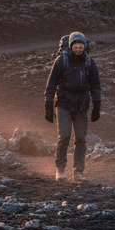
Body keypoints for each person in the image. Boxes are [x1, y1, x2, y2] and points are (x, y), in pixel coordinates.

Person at [44, 31, 102, 182]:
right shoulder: (61, 61)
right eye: (75, 46)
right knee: (64, 136)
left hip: (82, 105)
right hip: (64, 103)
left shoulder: (89, 62)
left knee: (81, 138)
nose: (78, 48)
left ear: (85, 46)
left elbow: (96, 86)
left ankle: (78, 171)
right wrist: (48, 105)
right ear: (70, 46)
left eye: (80, 46)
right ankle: (60, 169)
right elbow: (51, 84)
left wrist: (97, 105)